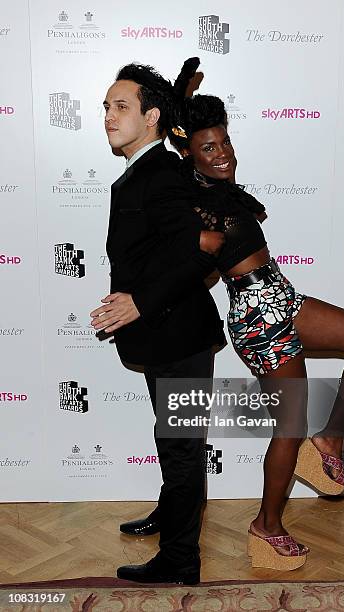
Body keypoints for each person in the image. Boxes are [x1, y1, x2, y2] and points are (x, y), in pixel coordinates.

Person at [168, 86, 344, 570]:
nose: (223, 153)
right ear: (187, 152)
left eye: (225, 141)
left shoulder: (223, 190)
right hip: (255, 314)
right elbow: (189, 262)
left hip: (282, 295)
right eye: (209, 147)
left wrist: (184, 102)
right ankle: (266, 527)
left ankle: (330, 440)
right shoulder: (190, 203)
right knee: (289, 426)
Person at [90, 62, 225, 585]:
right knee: (172, 440)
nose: (108, 116)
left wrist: (139, 302)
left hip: (180, 333)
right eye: (105, 106)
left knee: (182, 447)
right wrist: (133, 296)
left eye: (121, 106)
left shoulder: (164, 174)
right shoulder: (142, 172)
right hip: (167, 334)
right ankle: (172, 515)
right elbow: (161, 253)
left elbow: (204, 252)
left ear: (151, 117)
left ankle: (180, 561)